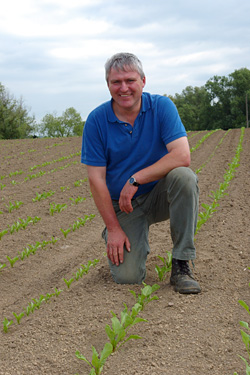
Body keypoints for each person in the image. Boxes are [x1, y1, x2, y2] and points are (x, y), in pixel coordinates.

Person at [81, 52, 201, 294]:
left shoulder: (161, 107)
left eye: (130, 80)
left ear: (143, 81)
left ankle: (181, 264)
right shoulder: (96, 121)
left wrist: (137, 178)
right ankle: (120, 232)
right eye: (116, 82)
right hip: (123, 206)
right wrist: (114, 228)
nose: (123, 88)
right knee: (128, 277)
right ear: (108, 85)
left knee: (184, 178)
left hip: (158, 195)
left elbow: (182, 156)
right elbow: (96, 179)